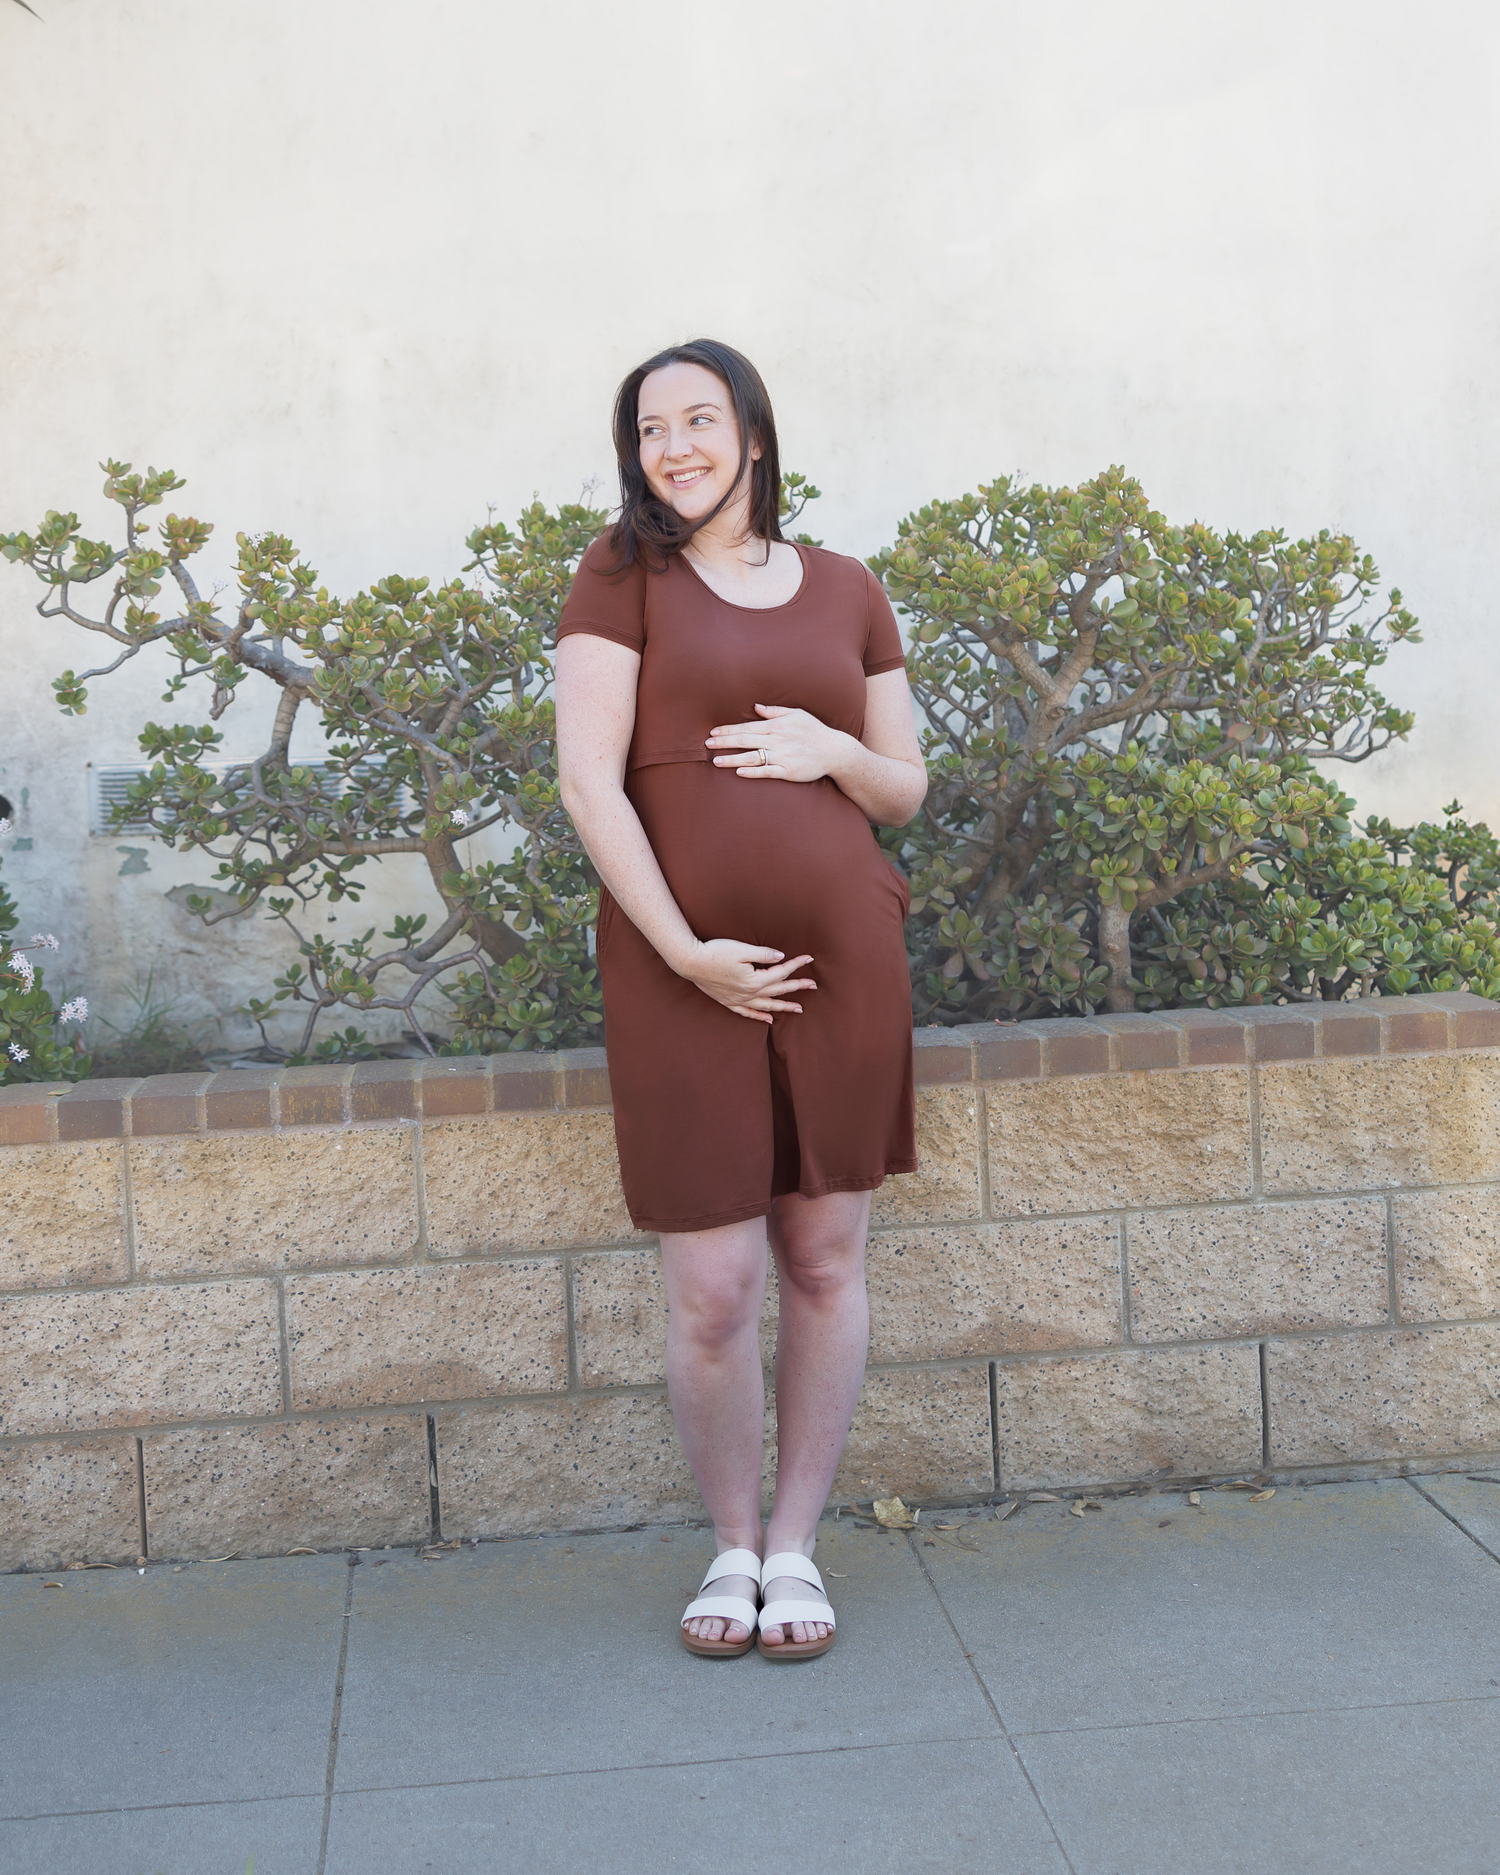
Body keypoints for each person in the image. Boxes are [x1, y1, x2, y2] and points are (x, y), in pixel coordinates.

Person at [554, 339, 927, 1660]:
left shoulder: (846, 587)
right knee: (712, 1284)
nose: (675, 446)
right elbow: (591, 785)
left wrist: (832, 749)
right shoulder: (620, 578)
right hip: (682, 976)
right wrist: (684, 950)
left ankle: (797, 1548)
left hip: (841, 971)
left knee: (824, 1258)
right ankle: (728, 1538)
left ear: (752, 435)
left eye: (699, 419)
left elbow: (904, 787)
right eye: (651, 428)